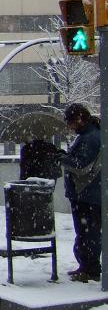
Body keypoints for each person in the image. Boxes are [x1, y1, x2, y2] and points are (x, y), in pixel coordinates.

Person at [58, 103, 101, 282]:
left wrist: (61, 158)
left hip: (88, 193)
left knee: (88, 232)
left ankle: (90, 269)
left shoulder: (90, 138)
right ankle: (86, 266)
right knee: (86, 232)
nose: (69, 127)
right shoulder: (87, 135)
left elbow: (81, 165)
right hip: (85, 193)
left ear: (80, 119)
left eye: (70, 122)